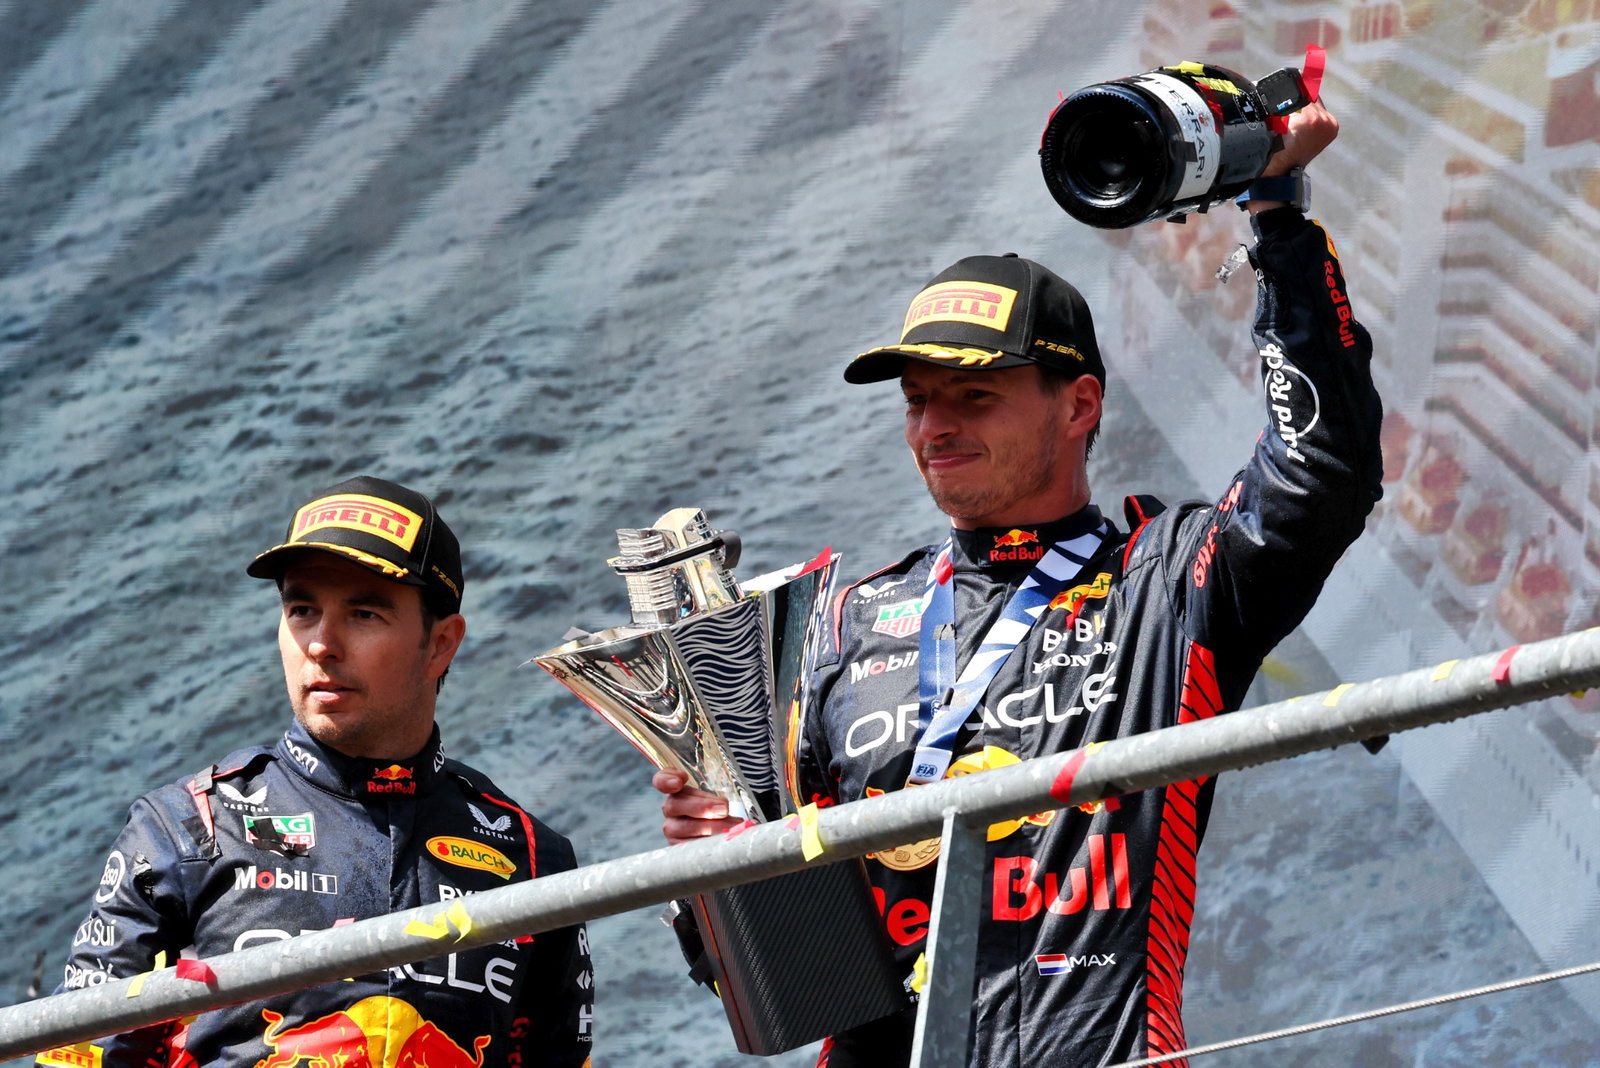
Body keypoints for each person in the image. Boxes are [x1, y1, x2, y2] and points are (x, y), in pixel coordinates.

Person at [655, 101, 1381, 1066]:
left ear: (1078, 405)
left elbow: (1320, 476)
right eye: (918, 401)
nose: (934, 427)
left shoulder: (1169, 581)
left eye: (974, 395)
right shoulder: (845, 624)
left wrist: (1278, 220)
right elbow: (787, 980)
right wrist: (713, 866)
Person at [40, 476, 593, 1068]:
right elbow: (80, 1059)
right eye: (302, 610)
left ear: (440, 645)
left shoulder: (532, 857)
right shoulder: (185, 829)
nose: (322, 644)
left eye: (363, 613)